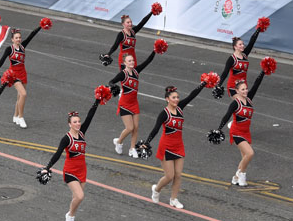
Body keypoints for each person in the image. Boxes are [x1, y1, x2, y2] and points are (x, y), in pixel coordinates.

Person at [140, 79, 207, 209]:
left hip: (178, 145)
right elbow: (155, 129)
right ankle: (156, 189)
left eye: (177, 97)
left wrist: (203, 84)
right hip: (166, 146)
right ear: (167, 99)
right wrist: (147, 143)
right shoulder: (164, 113)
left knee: (178, 175)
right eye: (173, 97)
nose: (176, 99)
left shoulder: (180, 108)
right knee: (169, 176)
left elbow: (192, 95)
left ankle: (173, 199)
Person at [39, 96, 101, 221]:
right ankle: (70, 216)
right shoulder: (66, 138)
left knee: (76, 198)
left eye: (79, 121)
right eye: (75, 122)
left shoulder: (82, 133)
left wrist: (97, 101)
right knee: (80, 196)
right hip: (70, 171)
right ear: (69, 124)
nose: (78, 124)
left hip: (82, 170)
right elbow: (57, 153)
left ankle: (71, 215)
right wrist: (47, 167)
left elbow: (90, 117)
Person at [211, 66, 269, 187]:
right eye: (242, 89)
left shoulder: (249, 99)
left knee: (245, 158)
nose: (245, 91)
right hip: (236, 132)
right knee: (250, 153)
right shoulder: (235, 103)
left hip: (246, 132)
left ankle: (236, 177)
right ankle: (241, 175)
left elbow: (256, 84)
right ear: (237, 91)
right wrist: (219, 129)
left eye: (246, 89)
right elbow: (226, 116)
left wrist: (263, 71)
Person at [109, 46, 161, 158]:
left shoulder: (136, 71)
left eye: (132, 60)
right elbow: (111, 81)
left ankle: (132, 149)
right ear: (124, 63)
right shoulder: (123, 74)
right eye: (129, 61)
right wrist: (114, 86)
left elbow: (148, 61)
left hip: (134, 103)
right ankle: (119, 142)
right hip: (124, 103)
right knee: (130, 128)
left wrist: (155, 50)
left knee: (136, 127)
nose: (132, 62)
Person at [0, 22, 45, 128]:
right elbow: (2, 60)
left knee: (20, 96)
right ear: (12, 39)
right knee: (24, 94)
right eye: (16, 38)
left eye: (19, 37)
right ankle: (21, 117)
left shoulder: (23, 46)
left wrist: (40, 26)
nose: (18, 39)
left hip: (23, 73)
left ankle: (15, 116)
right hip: (13, 75)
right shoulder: (9, 49)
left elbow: (31, 35)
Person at [216, 22, 264, 98]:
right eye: (240, 44)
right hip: (233, 87)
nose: (243, 46)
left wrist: (258, 29)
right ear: (235, 47)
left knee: (242, 107)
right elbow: (225, 73)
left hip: (244, 87)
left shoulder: (245, 55)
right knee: (240, 103)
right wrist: (219, 85)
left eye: (243, 44)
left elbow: (252, 42)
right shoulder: (232, 59)